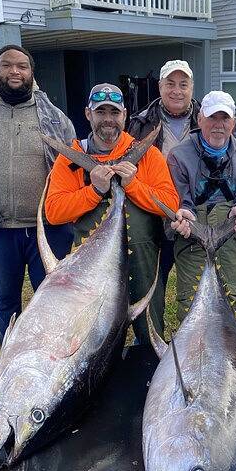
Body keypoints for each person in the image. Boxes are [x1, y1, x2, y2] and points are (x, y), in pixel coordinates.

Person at [0, 45, 75, 343]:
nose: (15, 72)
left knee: (51, 300)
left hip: (48, 229)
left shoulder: (55, 118)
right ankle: (9, 358)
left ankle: (51, 359)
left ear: (32, 73)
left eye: (22, 66)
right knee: (6, 301)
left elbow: (74, 161)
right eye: (7, 65)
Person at [44, 83, 179, 345]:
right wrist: (94, 190)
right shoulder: (72, 158)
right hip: (89, 266)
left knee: (149, 333)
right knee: (91, 336)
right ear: (87, 114)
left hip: (142, 262)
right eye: (101, 112)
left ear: (125, 115)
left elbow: (171, 205)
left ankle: (147, 375)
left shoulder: (148, 154)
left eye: (114, 113)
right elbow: (54, 212)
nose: (108, 120)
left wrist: (132, 185)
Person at [167, 90, 236, 335]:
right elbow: (179, 199)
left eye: (225, 119)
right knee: (193, 314)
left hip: (232, 238)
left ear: (234, 122)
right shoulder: (178, 155)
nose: (218, 125)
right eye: (212, 118)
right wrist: (184, 214)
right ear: (200, 120)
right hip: (192, 240)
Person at [127, 60, 201, 294]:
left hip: (196, 214)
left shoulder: (209, 119)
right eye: (170, 84)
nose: (177, 91)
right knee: (154, 278)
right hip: (155, 214)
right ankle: (151, 324)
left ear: (192, 87)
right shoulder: (140, 123)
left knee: (198, 281)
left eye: (183, 84)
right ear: (160, 87)